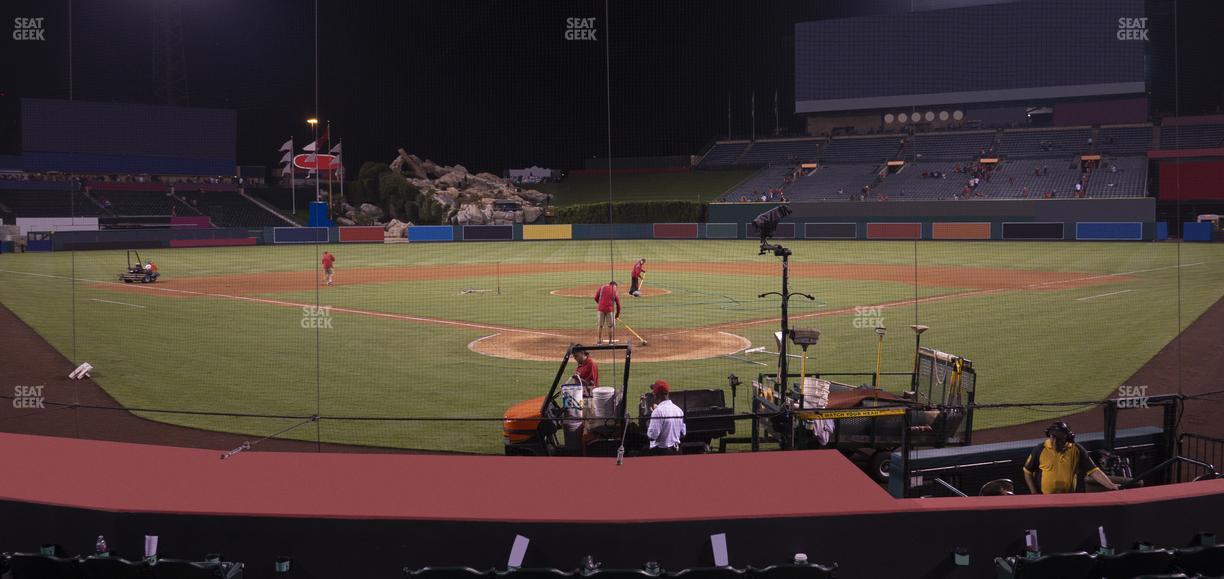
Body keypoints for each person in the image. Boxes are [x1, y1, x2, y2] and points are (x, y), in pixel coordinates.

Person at [1023, 421, 1119, 494]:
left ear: (1068, 438)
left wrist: (1110, 485)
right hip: (1045, 498)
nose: (1055, 442)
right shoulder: (1040, 449)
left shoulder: (1076, 449)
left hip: (1069, 497)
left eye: (1059, 439)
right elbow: (1027, 471)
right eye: (1053, 437)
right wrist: (1034, 493)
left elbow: (1094, 471)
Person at [646, 380, 685, 455]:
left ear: (658, 395)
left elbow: (652, 436)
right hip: (677, 451)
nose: (653, 394)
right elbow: (683, 433)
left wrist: (649, 423)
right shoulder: (679, 410)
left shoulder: (657, 412)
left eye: (654, 392)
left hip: (663, 453)